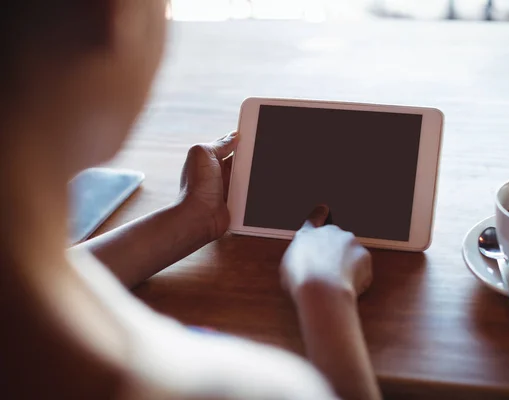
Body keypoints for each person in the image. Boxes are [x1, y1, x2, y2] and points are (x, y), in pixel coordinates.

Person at [0, 1, 381, 399]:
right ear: (114, 17)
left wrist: (189, 220)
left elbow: (46, 284)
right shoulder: (240, 389)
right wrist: (324, 298)